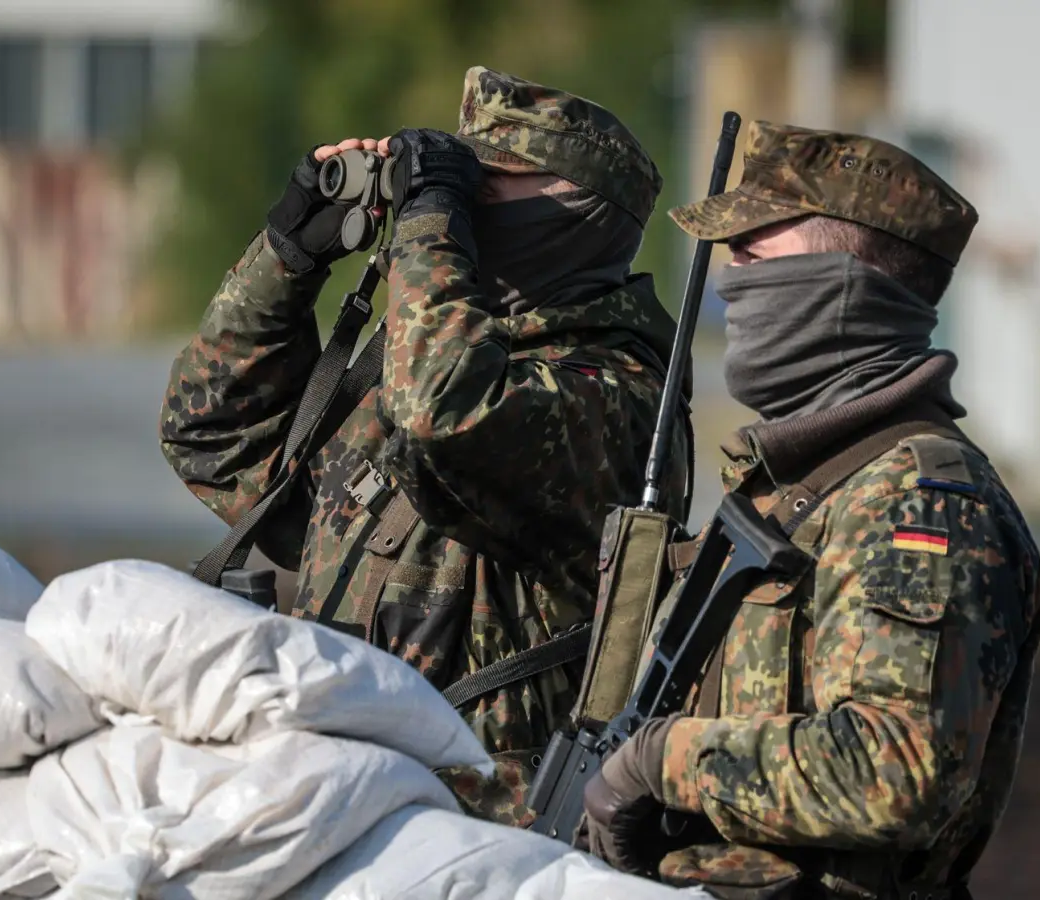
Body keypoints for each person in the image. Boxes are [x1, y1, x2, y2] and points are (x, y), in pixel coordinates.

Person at [159, 66, 691, 824]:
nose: (465, 206)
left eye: (489, 182)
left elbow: (446, 412)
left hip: (481, 830)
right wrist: (288, 258)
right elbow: (209, 436)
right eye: (458, 181)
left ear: (575, 212)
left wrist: (429, 222)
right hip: (347, 797)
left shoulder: (613, 395)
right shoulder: (429, 358)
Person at [579, 120, 1040, 900]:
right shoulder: (793, 484)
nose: (732, 277)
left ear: (844, 280)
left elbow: (897, 771)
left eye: (755, 250)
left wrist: (662, 761)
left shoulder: (920, 503)